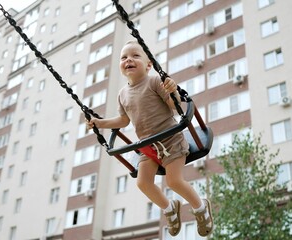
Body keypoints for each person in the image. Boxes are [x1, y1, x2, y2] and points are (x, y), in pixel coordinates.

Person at [86, 40, 213, 237]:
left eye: (135, 55)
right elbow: (123, 120)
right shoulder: (122, 94)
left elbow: (174, 105)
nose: (129, 59)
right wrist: (100, 123)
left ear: (148, 64)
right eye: (124, 57)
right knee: (143, 183)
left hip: (171, 140)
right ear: (120, 66)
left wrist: (173, 90)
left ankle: (200, 208)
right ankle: (170, 208)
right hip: (148, 147)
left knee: (174, 181)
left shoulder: (154, 82)